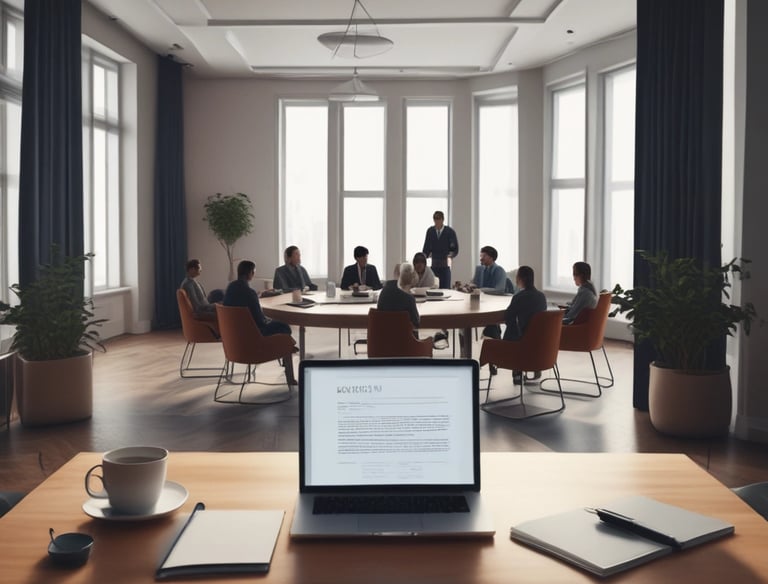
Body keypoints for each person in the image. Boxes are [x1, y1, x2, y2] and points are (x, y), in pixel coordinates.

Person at [223, 260, 296, 383]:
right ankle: (289, 369)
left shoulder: (230, 287)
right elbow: (260, 321)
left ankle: (289, 346)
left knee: (279, 325)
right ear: (250, 273)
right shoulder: (249, 293)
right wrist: (270, 319)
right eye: (254, 272)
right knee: (285, 327)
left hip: (234, 339)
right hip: (252, 338)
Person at [376, 262, 420, 328]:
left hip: (382, 336)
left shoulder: (383, 292)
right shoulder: (409, 299)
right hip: (404, 337)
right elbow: (416, 324)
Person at [422, 210, 459, 289]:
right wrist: (424, 256)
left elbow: (455, 248)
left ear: (443, 219)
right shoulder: (430, 231)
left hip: (445, 265)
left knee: (445, 288)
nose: (437, 221)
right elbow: (426, 247)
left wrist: (450, 255)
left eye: (439, 219)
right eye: (435, 219)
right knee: (433, 287)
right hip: (434, 264)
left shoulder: (450, 232)